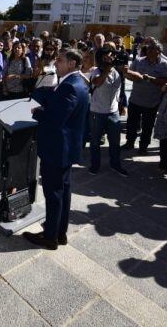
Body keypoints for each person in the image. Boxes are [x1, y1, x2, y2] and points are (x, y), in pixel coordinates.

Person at [23, 49, 89, 250]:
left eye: (60, 60)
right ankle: (60, 233)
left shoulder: (69, 86)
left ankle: (50, 236)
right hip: (66, 149)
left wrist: (37, 113)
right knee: (63, 191)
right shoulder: (78, 82)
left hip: (57, 149)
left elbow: (55, 120)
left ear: (72, 63)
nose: (56, 63)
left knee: (54, 194)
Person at [124, 41, 167, 154]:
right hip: (135, 99)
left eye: (153, 49)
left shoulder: (165, 65)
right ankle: (129, 142)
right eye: (149, 49)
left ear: (159, 52)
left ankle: (143, 147)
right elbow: (129, 75)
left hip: (152, 102)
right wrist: (130, 75)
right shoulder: (138, 61)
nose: (149, 51)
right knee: (131, 124)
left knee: (147, 126)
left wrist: (151, 79)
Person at [88, 47, 126, 176]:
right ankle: (95, 165)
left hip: (113, 112)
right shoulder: (96, 71)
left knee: (115, 142)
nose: (111, 58)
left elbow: (127, 85)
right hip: (97, 112)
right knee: (95, 141)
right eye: (107, 56)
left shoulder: (117, 72)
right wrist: (107, 70)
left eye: (112, 56)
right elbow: (97, 83)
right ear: (101, 58)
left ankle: (116, 165)